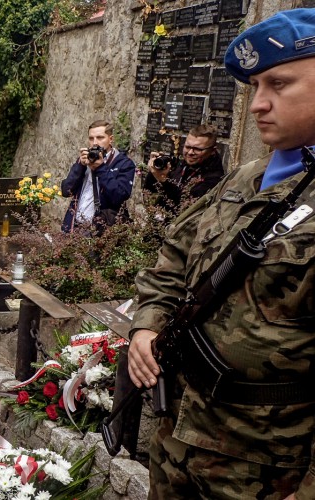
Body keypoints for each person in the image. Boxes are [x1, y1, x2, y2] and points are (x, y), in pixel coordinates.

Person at [128, 9, 315, 499]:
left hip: (264, 467)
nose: (258, 104)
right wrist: (148, 323)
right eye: (255, 87)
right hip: (180, 439)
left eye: (278, 84)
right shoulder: (244, 177)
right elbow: (174, 253)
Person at [60, 120, 136, 232]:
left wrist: (101, 168)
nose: (95, 143)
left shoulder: (124, 163)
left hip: (101, 230)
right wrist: (79, 166)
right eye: (91, 138)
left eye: (100, 138)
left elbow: (119, 197)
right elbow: (66, 191)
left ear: (111, 139)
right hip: (75, 227)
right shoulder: (85, 161)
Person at [143, 124, 226, 212]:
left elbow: (184, 208)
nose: (190, 152)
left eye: (197, 149)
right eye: (187, 147)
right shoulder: (182, 164)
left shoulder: (214, 179)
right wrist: (153, 173)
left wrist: (164, 181)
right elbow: (149, 195)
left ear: (212, 151)